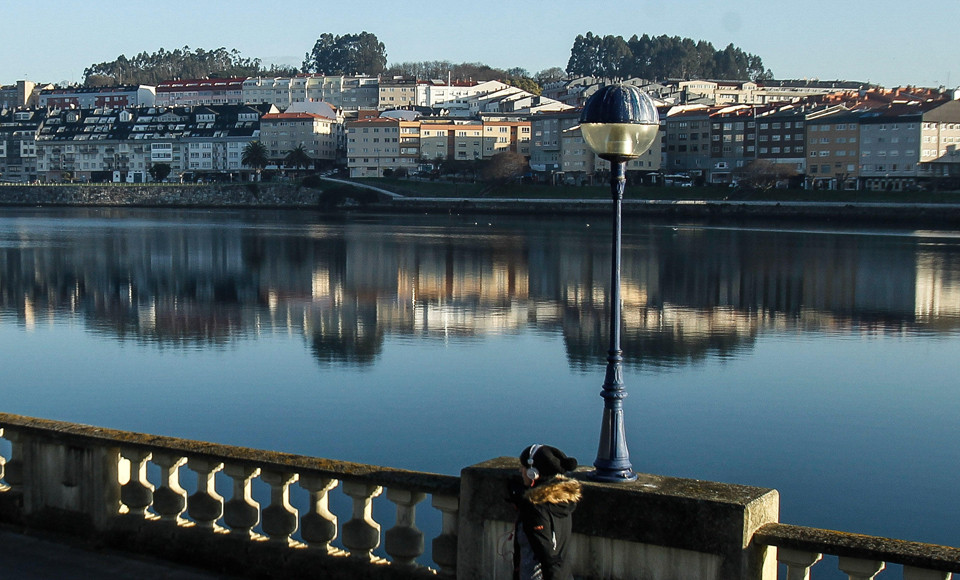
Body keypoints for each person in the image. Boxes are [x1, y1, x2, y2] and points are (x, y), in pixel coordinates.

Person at [509, 444, 582, 580]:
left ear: (533, 473)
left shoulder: (536, 509)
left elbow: (548, 558)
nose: (520, 470)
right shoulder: (561, 502)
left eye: (524, 467)